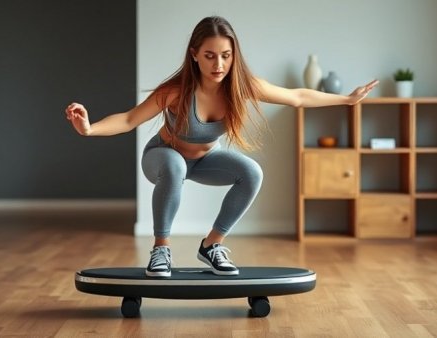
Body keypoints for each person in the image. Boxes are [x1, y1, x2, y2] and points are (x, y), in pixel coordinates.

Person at [65, 16, 378, 278]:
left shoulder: (242, 88)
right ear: (195, 55)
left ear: (234, 55)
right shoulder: (176, 92)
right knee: (174, 166)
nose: (219, 64)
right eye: (210, 55)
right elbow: (130, 119)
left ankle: (211, 246)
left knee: (251, 172)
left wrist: (347, 99)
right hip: (161, 157)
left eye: (226, 55)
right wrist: (90, 129)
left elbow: (297, 97)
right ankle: (161, 249)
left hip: (204, 160)